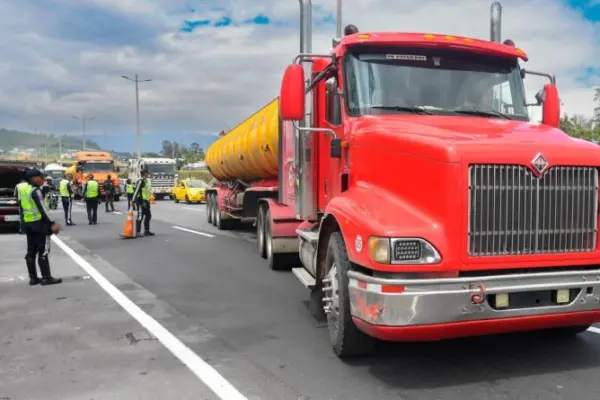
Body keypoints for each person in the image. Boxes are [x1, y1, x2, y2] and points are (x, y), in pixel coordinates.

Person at [20, 168, 62, 286]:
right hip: (39, 224)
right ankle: (46, 277)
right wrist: (52, 223)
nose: (43, 179)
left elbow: (21, 208)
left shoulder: (24, 190)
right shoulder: (36, 191)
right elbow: (43, 209)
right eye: (40, 177)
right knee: (43, 250)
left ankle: (33, 278)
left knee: (31, 251)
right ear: (34, 179)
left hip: (28, 224)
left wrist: (22, 224)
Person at [133, 169, 154, 236]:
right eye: (147, 173)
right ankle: (138, 232)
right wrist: (133, 200)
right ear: (144, 174)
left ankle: (146, 231)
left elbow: (146, 191)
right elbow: (136, 191)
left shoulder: (145, 181)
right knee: (140, 216)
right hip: (141, 201)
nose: (148, 174)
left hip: (146, 201)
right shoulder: (140, 181)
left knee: (148, 215)